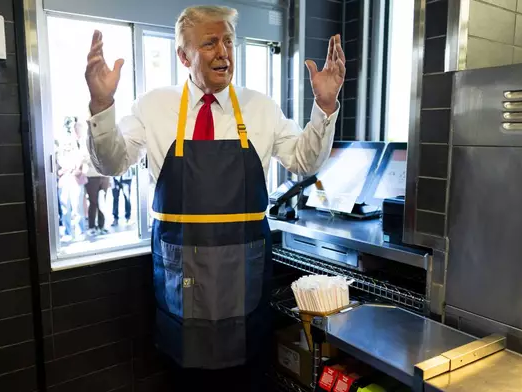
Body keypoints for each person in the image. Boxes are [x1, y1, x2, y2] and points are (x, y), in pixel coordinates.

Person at [85, 5, 345, 391]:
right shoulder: (153, 106)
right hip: (182, 280)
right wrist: (102, 107)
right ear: (183, 55)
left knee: (247, 379)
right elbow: (111, 162)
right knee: (184, 380)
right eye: (210, 43)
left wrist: (324, 107)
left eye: (228, 41)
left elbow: (304, 160)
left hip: (244, 280)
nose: (223, 52)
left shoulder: (261, 108)